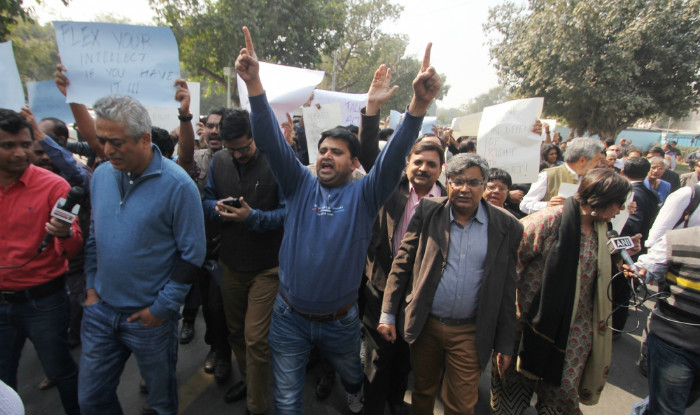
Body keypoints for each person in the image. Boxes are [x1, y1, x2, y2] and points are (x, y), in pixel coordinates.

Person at [234, 26, 441, 414]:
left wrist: (416, 107)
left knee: (352, 375)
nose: (327, 156)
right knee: (287, 401)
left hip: (342, 321)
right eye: (323, 150)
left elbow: (393, 158)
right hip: (288, 318)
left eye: (338, 152)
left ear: (354, 162)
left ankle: (353, 393)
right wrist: (255, 87)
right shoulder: (297, 184)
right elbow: (269, 139)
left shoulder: (365, 196)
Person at [79, 95, 206, 415]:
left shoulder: (178, 186)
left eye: (117, 142)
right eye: (102, 140)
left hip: (151, 319)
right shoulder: (103, 177)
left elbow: (193, 254)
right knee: (91, 400)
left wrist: (162, 308)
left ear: (145, 138)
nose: (107, 150)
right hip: (100, 312)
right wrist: (92, 289)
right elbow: (95, 237)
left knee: (160, 403)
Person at [379, 153, 523, 415]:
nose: (465, 189)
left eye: (474, 182)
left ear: (484, 185)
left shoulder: (507, 226)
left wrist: (505, 344)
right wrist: (387, 313)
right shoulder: (428, 210)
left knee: (461, 404)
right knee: (423, 391)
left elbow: (506, 287)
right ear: (448, 182)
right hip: (426, 325)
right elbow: (402, 263)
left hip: (471, 332)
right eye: (458, 181)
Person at [491, 168, 641, 415]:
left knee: (562, 396)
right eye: (618, 204)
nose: (620, 210)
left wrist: (624, 259)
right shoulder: (546, 222)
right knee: (512, 393)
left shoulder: (603, 230)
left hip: (575, 332)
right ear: (599, 200)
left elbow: (596, 269)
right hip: (528, 327)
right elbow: (506, 266)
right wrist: (503, 324)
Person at [361, 106, 446, 414]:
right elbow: (370, 153)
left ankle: (396, 401)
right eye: (418, 161)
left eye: (431, 164)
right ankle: (372, 405)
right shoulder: (389, 188)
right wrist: (371, 111)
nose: (423, 168)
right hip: (380, 286)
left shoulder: (448, 203)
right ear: (407, 163)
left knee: (405, 356)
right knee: (377, 356)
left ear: (441, 168)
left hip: (419, 295)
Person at [202, 107, 285, 415]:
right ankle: (251, 382)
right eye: (231, 149)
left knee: (256, 339)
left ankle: (257, 406)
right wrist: (217, 208)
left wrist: (253, 217)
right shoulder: (219, 161)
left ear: (255, 137)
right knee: (235, 332)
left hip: (268, 267)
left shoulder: (277, 161)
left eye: (243, 148)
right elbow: (207, 199)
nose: (237, 155)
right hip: (231, 264)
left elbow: (289, 213)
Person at [0, 109, 82, 415]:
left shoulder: (53, 186)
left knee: (61, 370)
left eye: (24, 144)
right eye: (8, 145)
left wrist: (63, 235)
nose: (19, 152)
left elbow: (74, 249)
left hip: (44, 301)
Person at [626, 227, 700, 415]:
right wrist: (638, 271)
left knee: (681, 400)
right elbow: (646, 269)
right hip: (675, 343)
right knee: (669, 409)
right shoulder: (678, 240)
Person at [611, 157, 660, 332]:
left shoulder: (632, 194)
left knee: (620, 290)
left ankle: (616, 326)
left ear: (623, 172)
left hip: (627, 248)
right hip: (632, 248)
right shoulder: (650, 193)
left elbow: (635, 224)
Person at [520, 137, 604, 214]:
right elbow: (525, 205)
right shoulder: (548, 175)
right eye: (597, 160)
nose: (599, 163)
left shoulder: (592, 178)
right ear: (582, 160)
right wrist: (548, 205)